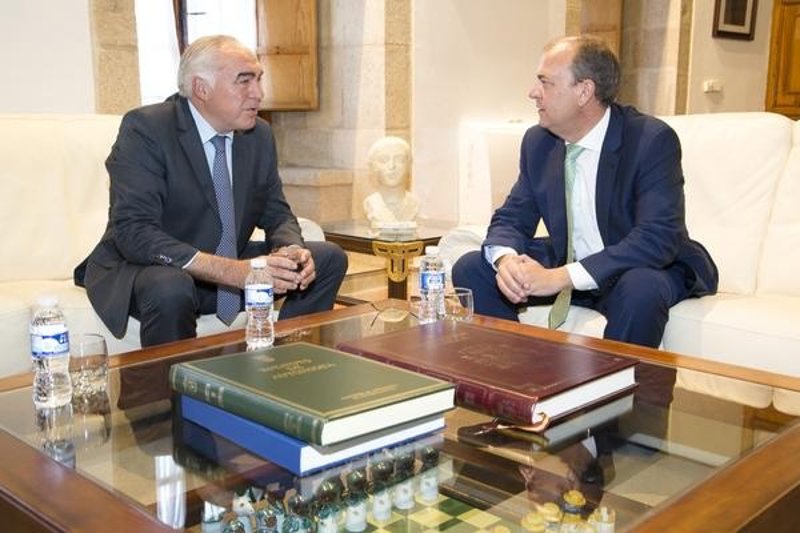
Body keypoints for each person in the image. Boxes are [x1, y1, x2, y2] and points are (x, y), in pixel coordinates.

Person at [74, 35, 347, 347]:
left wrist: (289, 251)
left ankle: (285, 361)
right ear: (201, 89)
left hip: (225, 265)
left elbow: (276, 211)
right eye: (244, 81)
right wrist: (232, 271)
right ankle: (172, 380)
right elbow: (133, 231)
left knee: (328, 258)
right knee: (171, 287)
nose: (258, 93)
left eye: (259, 79)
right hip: (152, 267)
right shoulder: (146, 129)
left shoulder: (258, 135)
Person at [452, 35, 718, 349]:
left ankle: (620, 382)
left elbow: (657, 237)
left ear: (584, 91)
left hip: (636, 267)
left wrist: (560, 277)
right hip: (570, 259)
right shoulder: (539, 142)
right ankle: (517, 369)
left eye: (545, 82)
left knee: (641, 288)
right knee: (473, 267)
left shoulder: (649, 140)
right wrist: (507, 261)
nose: (533, 92)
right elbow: (513, 216)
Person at [362, 136, 420, 227]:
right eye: (384, 160)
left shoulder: (415, 204)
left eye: (399, 159)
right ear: (372, 166)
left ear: (409, 164)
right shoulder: (371, 204)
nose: (392, 166)